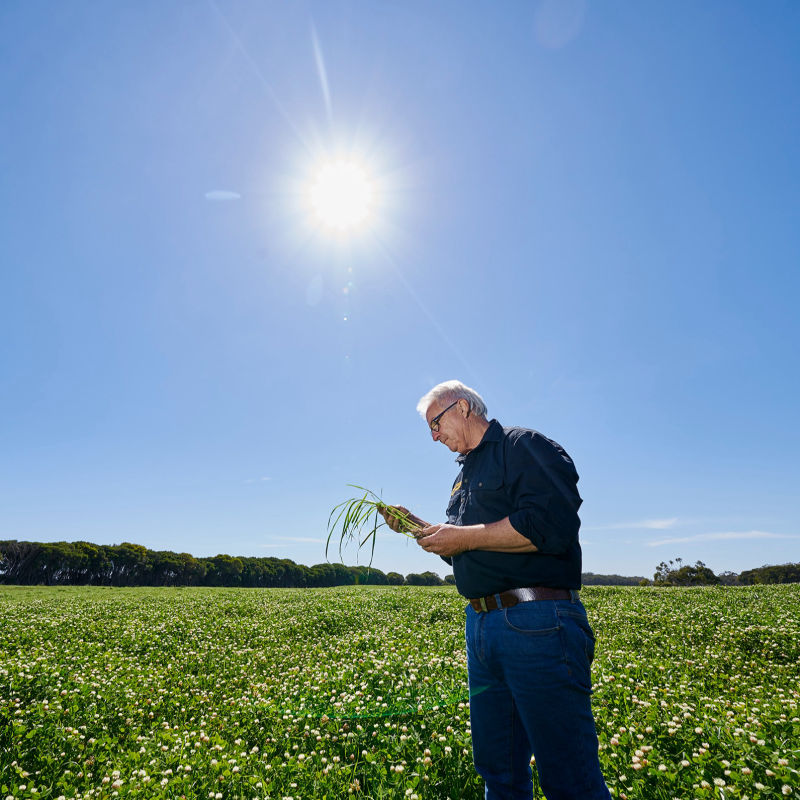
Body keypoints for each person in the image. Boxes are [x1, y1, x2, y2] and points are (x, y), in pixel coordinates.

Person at [379, 380, 611, 800]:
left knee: (569, 775)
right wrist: (420, 529)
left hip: (537, 622)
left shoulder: (522, 446)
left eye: (435, 424)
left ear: (462, 407)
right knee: (498, 769)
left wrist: (462, 537)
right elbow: (468, 549)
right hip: (482, 626)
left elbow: (550, 525)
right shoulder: (463, 477)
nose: (434, 437)